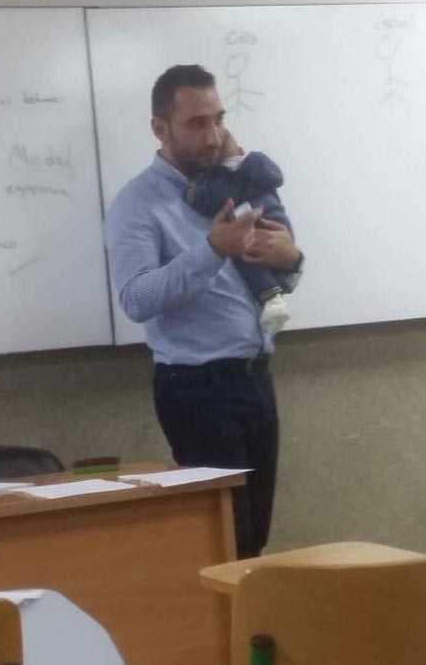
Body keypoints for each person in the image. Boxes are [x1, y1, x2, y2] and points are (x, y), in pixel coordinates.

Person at [104, 64, 303, 558]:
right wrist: (211, 249)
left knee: (254, 536)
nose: (213, 137)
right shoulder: (138, 204)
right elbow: (136, 299)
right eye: (196, 123)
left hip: (256, 378)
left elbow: (274, 276)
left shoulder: (238, 184)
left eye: (218, 119)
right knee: (226, 540)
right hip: (196, 389)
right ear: (160, 128)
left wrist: (291, 259)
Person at [186, 132, 293, 334]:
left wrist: (192, 192)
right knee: (276, 261)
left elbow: (210, 200)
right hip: (280, 225)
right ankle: (276, 293)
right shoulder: (261, 166)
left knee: (243, 253)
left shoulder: (228, 177)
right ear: (242, 150)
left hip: (258, 225)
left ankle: (271, 298)